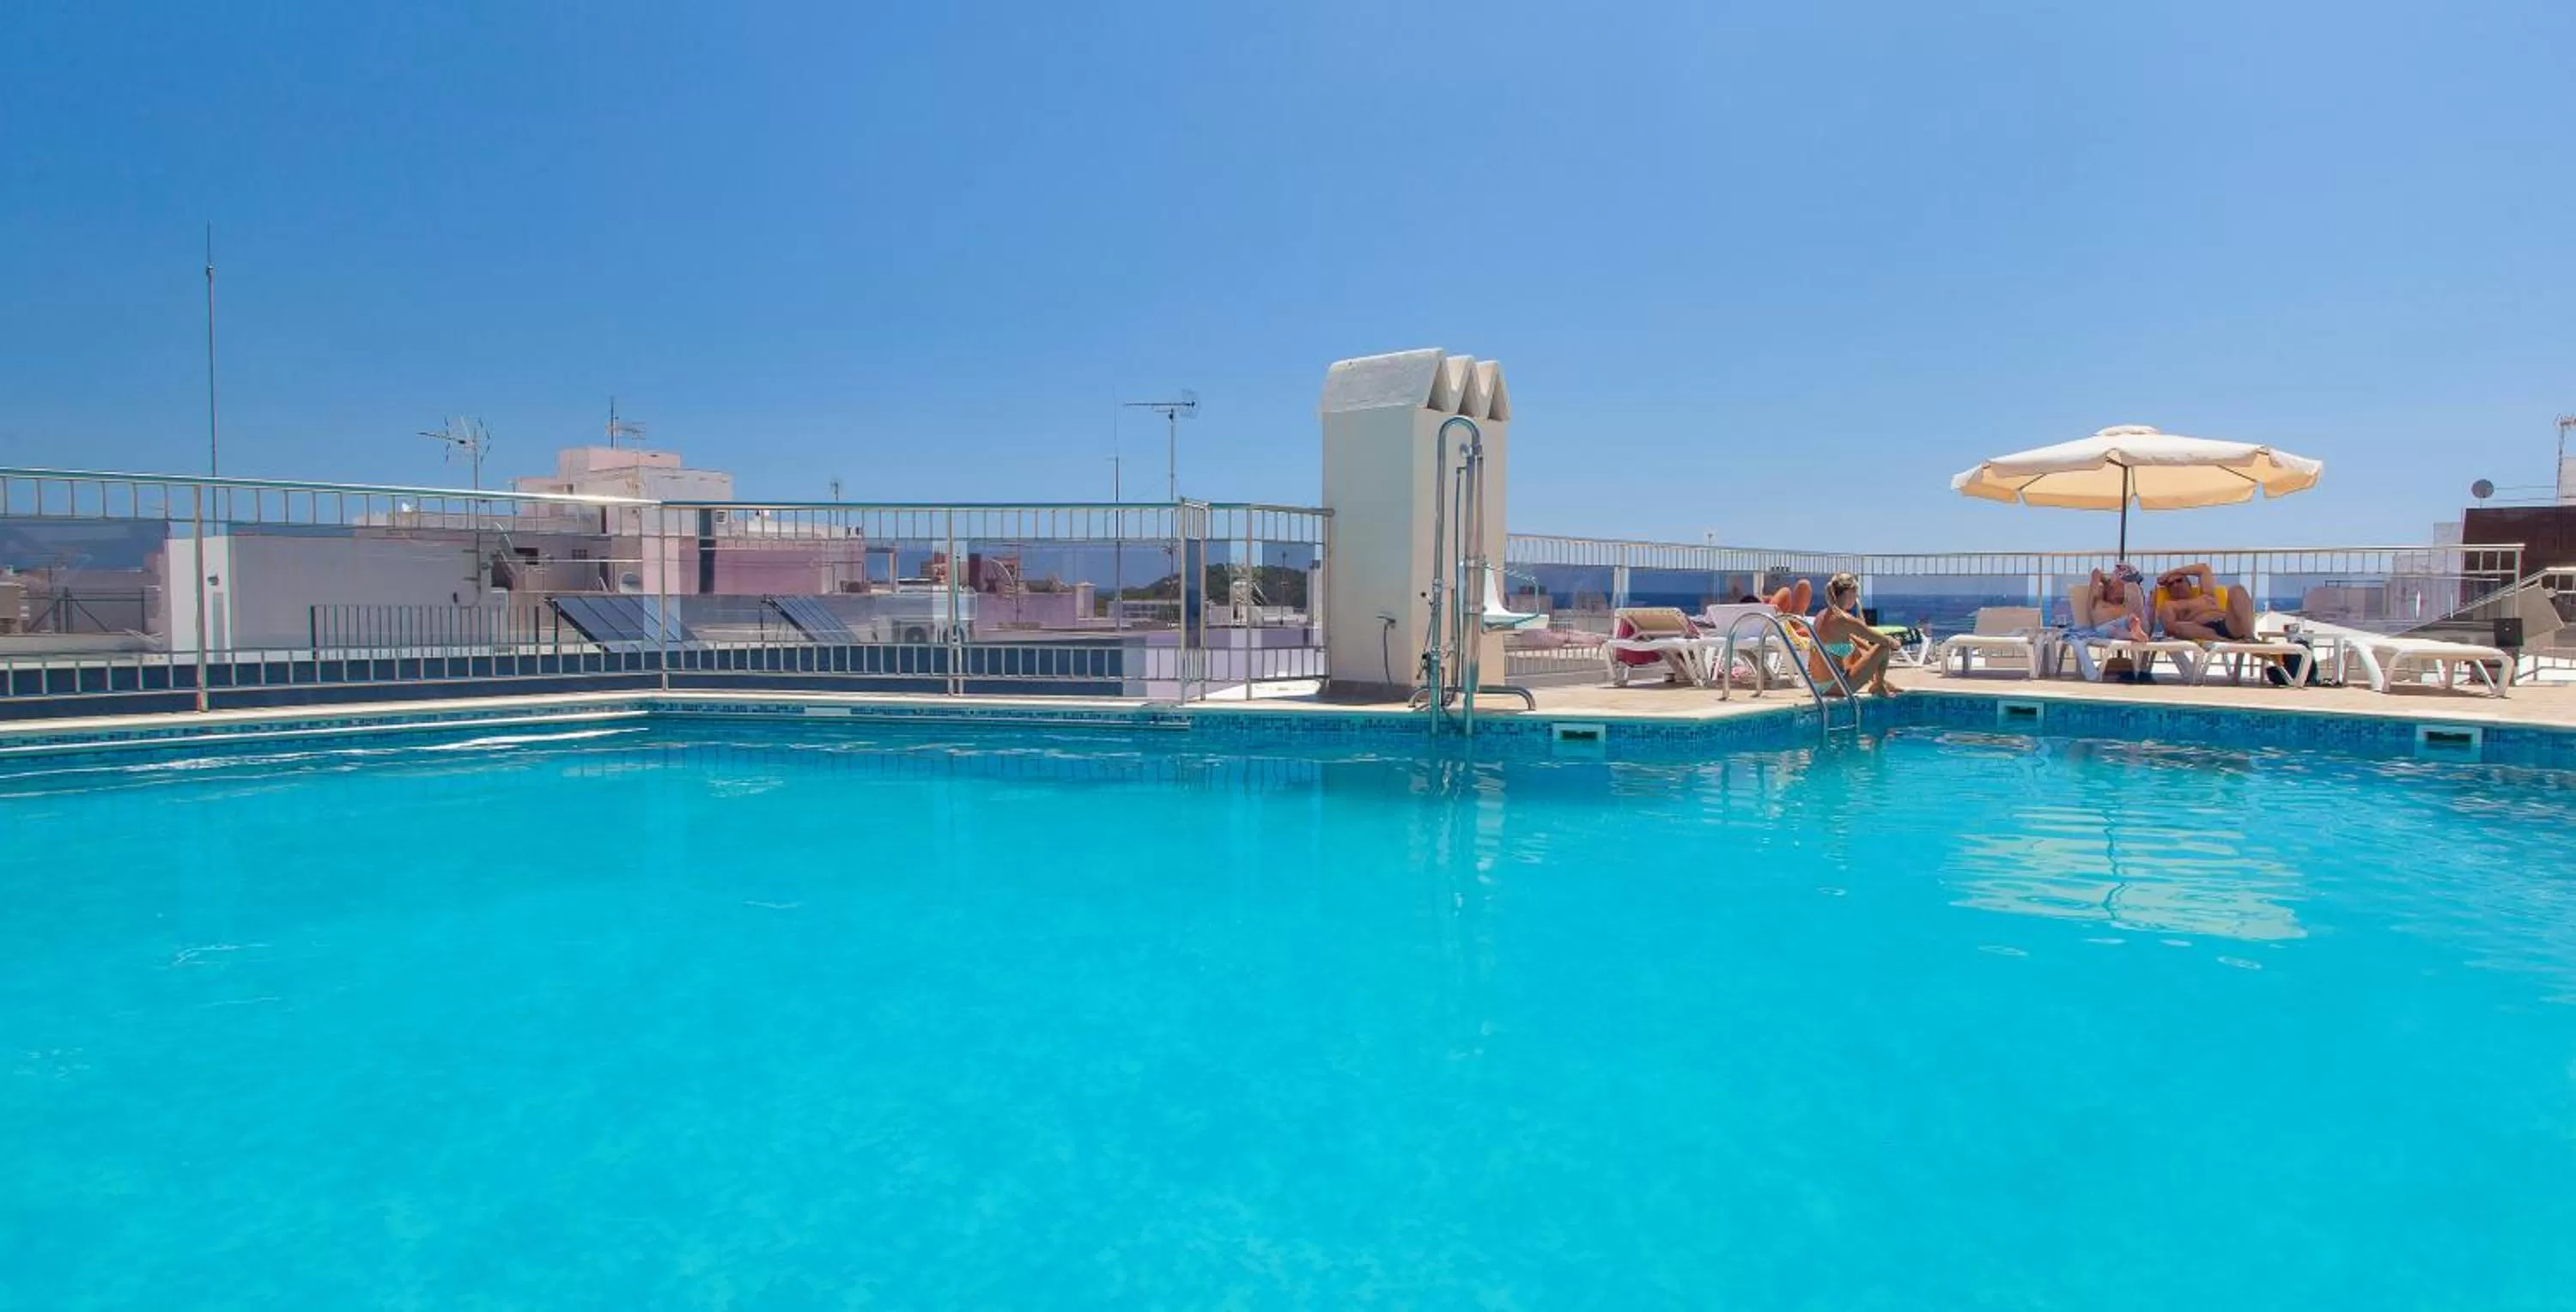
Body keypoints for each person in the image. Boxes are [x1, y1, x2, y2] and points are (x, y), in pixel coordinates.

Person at [1809, 572, 1901, 696]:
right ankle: (1878, 686)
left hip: (1817, 685)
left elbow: (1863, 641)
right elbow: (1884, 641)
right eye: (1856, 593)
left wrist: (1858, 610)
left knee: (1857, 644)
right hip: (1837, 686)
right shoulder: (1845, 619)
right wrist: (1896, 643)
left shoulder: (1821, 615)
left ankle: (1881, 682)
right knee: (1884, 647)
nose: (1857, 597)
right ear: (1849, 593)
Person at [2154, 563, 2256, 641]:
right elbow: (2171, 630)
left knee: (2237, 589)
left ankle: (2250, 638)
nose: (2175, 585)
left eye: (2179, 580)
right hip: (2203, 632)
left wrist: (2171, 573)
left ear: (2189, 584)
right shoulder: (2171, 605)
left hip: (2228, 624)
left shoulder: (2207, 596)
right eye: (2170, 584)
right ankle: (2225, 642)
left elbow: (2203, 568)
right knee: (2179, 626)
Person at [2082, 563, 2152, 641]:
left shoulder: (2125, 598)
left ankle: (2137, 633)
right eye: (2118, 587)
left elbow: (2137, 607)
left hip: (2122, 624)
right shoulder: (2097, 599)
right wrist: (2107, 581)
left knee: (2132, 618)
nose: (2119, 594)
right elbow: (2096, 572)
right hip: (2102, 628)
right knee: (2114, 630)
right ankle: (2133, 636)